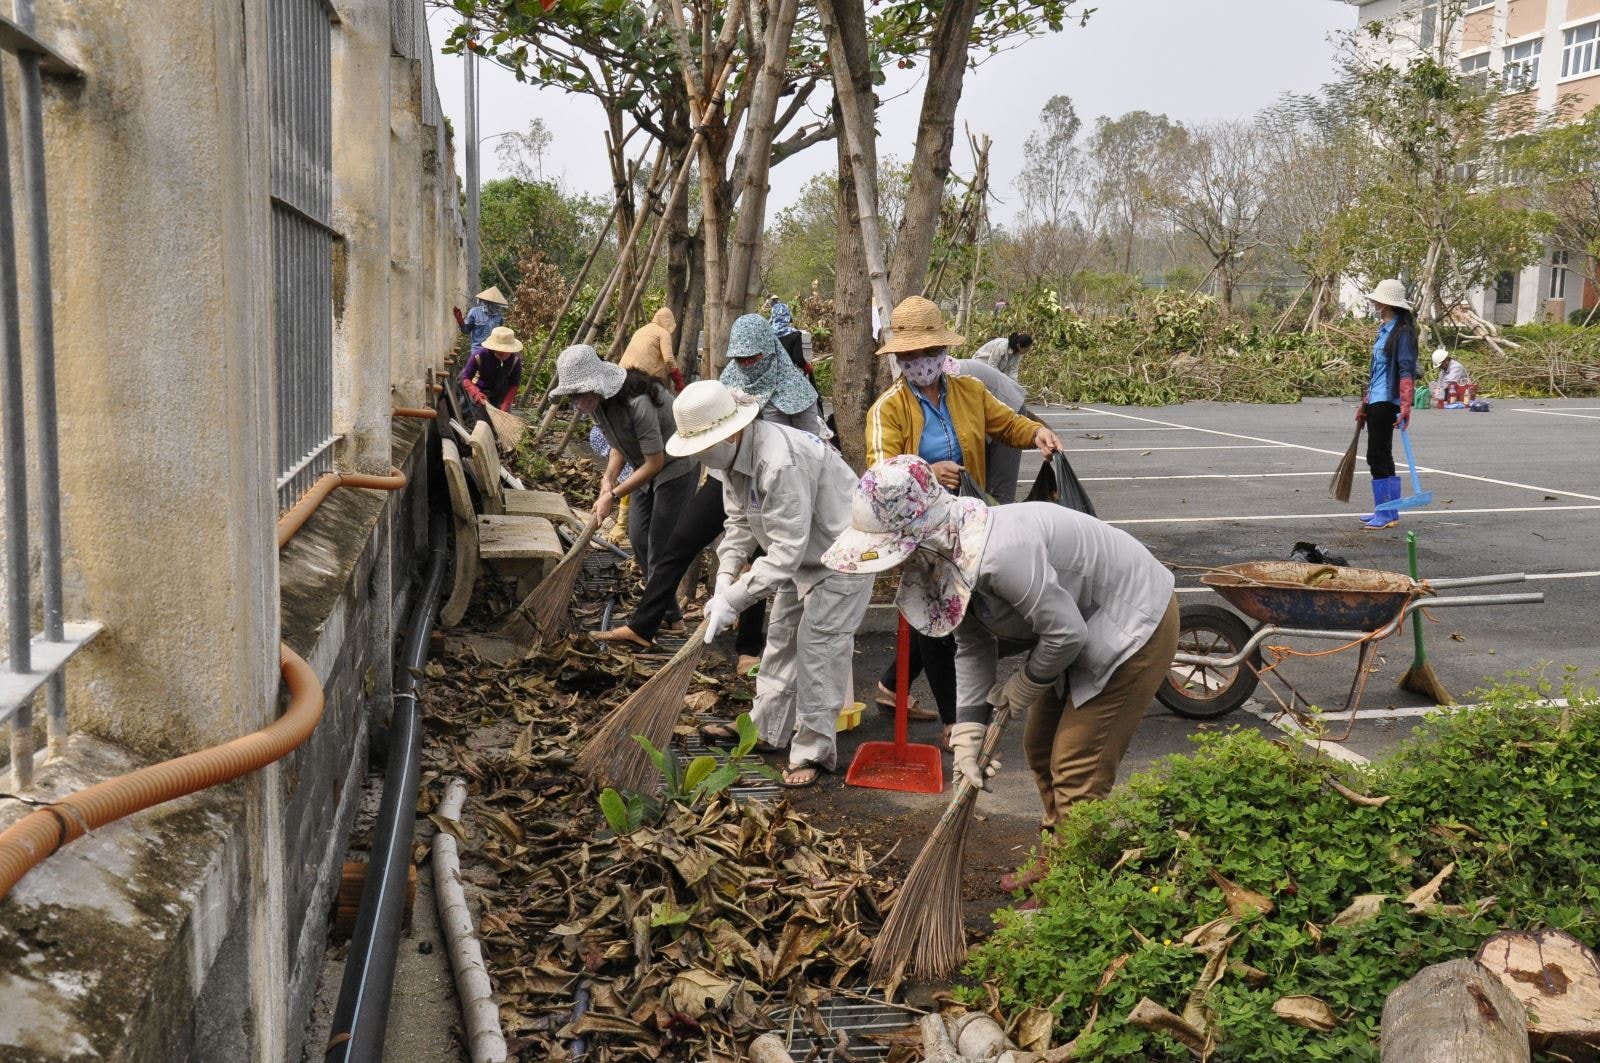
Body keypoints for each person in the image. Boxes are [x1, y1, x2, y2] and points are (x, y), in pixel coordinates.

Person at [823, 455, 1179, 828]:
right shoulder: (949, 552)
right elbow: (973, 643)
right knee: (1039, 748)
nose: (892, 566)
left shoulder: (1000, 554)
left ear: (920, 533)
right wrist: (967, 733)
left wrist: (1025, 682)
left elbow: (1067, 634)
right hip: (1080, 624)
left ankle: (1074, 879)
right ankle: (1058, 853)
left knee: (1076, 766)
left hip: (1133, 620)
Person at [866, 296, 1061, 740]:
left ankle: (892, 684)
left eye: (928, 353)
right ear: (899, 358)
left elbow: (1007, 425)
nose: (920, 362)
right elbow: (881, 473)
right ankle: (956, 720)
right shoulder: (888, 409)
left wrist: (1038, 434)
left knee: (946, 611)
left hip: (969, 519)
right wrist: (927, 472)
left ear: (942, 352)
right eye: (910, 355)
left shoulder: (969, 392)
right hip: (921, 525)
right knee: (939, 615)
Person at [592, 315, 826, 663]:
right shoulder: (731, 381)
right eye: (740, 358)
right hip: (727, 478)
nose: (746, 364)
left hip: (775, 484)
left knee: (761, 558)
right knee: (679, 543)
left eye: (753, 358)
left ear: (770, 351)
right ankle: (645, 625)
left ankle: (747, 649)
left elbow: (813, 443)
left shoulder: (795, 390)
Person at [672, 381, 871, 789]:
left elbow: (785, 554)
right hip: (802, 558)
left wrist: (736, 600)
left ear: (729, 433)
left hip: (844, 555)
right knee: (780, 637)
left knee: (820, 647)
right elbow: (739, 523)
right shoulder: (727, 460)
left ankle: (813, 750)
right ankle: (764, 729)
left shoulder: (779, 461)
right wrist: (725, 577)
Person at [550, 345, 698, 626]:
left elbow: (655, 463)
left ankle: (662, 620)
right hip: (641, 465)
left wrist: (614, 495)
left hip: (675, 468)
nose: (577, 401)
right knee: (639, 538)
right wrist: (608, 479)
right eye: (573, 396)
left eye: (580, 394)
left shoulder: (638, 402)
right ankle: (666, 611)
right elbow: (618, 444)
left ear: (597, 385)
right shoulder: (597, 406)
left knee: (659, 547)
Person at [1354, 279, 1419, 531]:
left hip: (1387, 402)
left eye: (1376, 299)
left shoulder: (1402, 333)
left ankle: (1386, 512)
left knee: (1377, 456)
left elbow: (1405, 369)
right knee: (1382, 455)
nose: (1373, 302)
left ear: (1386, 303)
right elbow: (1376, 373)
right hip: (1376, 400)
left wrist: (1405, 404)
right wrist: (1364, 403)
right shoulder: (1384, 330)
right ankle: (1386, 511)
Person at [946, 357, 1027, 505]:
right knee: (981, 483)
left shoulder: (955, 381)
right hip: (984, 412)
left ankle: (1003, 516)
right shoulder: (928, 379)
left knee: (999, 489)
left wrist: (1036, 433)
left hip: (1009, 407)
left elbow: (1009, 423)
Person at [459, 326, 524, 415]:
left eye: (507, 351)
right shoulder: (479, 355)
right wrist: (476, 394)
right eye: (500, 352)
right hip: (480, 392)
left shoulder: (515, 360)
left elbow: (514, 384)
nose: (504, 354)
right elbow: (465, 378)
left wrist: (506, 403)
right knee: (473, 416)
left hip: (500, 394)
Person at [620, 307, 683, 391]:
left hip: (621, 373)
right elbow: (668, 359)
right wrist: (678, 381)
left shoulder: (640, 330)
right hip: (640, 376)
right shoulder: (663, 332)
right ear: (669, 322)